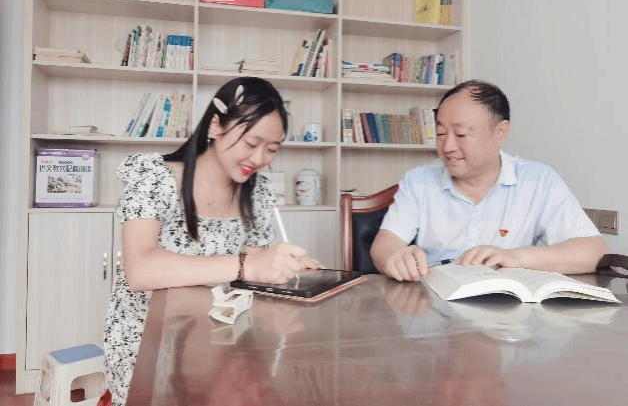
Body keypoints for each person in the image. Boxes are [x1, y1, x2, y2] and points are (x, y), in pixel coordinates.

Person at [104, 76, 322, 406]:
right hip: (150, 344)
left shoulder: (257, 193)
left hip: (225, 338)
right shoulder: (155, 177)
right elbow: (140, 269)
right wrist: (248, 265)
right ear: (216, 125)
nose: (260, 159)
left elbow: (255, 271)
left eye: (272, 149)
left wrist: (283, 267)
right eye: (251, 143)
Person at [371, 79, 607, 281]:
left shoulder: (538, 181)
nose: (448, 146)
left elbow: (593, 251)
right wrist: (395, 257)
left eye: (461, 134)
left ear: (500, 133)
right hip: (433, 304)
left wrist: (517, 257)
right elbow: (385, 243)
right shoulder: (419, 180)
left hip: (509, 310)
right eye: (441, 134)